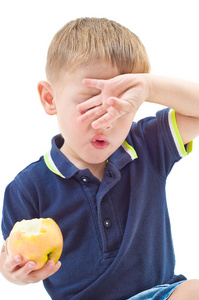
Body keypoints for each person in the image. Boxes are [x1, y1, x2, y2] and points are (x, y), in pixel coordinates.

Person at [1, 17, 199, 300]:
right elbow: (9, 254)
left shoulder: (147, 145)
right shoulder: (27, 187)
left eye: (122, 105)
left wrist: (149, 87)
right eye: (91, 102)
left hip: (159, 294)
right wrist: (14, 272)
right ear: (49, 99)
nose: (106, 120)